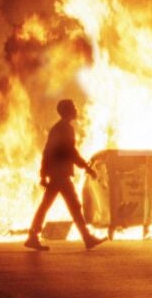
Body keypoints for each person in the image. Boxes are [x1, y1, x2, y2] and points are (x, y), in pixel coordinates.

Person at [25, 99, 106, 251]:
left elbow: (47, 152)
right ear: (68, 111)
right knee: (73, 205)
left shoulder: (58, 128)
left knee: (50, 205)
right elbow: (71, 153)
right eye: (74, 107)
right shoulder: (65, 129)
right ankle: (87, 238)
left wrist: (43, 174)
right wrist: (87, 168)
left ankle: (33, 236)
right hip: (60, 174)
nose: (76, 110)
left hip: (56, 173)